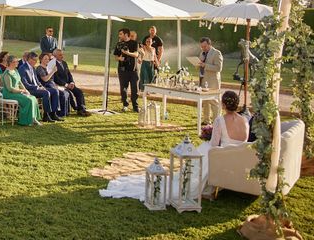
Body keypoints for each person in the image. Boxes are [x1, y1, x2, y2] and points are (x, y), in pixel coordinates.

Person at [98, 90, 248, 202]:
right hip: (237, 158)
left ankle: (194, 181)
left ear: (223, 104)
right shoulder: (245, 120)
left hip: (221, 156)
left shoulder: (220, 120)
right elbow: (243, 141)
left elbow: (215, 144)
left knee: (203, 150)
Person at [19, 52, 62, 122]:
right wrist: (37, 87)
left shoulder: (32, 68)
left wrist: (41, 86)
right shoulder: (23, 68)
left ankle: (53, 113)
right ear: (29, 59)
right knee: (46, 93)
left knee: (55, 91)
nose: (35, 62)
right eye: (33, 60)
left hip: (37, 88)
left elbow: (36, 80)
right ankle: (46, 115)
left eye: (36, 60)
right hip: (29, 90)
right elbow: (25, 84)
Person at [1, 55, 41, 126]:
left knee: (33, 98)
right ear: (11, 63)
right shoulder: (7, 74)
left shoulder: (15, 70)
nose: (17, 63)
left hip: (17, 92)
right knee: (28, 100)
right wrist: (21, 91)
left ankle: (34, 118)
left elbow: (20, 82)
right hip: (9, 94)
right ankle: (26, 120)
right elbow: (10, 88)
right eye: (15, 62)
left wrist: (25, 90)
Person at [53, 49, 91, 116]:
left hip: (69, 84)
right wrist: (66, 85)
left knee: (79, 92)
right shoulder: (53, 65)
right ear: (55, 56)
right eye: (60, 55)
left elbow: (69, 74)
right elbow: (56, 78)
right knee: (69, 94)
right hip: (61, 85)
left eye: (62, 54)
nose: (62, 56)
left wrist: (72, 82)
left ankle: (82, 109)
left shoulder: (64, 63)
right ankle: (75, 108)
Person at [198, 37, 223, 124]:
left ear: (209, 44)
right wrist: (198, 64)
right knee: (205, 101)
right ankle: (206, 120)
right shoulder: (202, 53)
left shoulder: (217, 53)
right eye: (202, 47)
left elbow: (219, 68)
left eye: (204, 46)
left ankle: (216, 122)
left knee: (214, 102)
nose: (203, 48)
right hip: (203, 79)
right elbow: (201, 64)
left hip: (213, 81)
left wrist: (205, 65)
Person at [114, 28, 139, 113]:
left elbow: (136, 54)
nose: (119, 36)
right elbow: (116, 57)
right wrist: (119, 58)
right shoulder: (119, 44)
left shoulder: (134, 43)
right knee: (123, 89)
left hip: (133, 70)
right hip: (122, 70)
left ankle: (135, 107)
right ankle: (125, 105)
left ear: (126, 34)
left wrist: (128, 53)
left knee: (135, 89)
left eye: (120, 34)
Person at [36, 53, 70, 117]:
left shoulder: (48, 68)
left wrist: (57, 85)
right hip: (45, 86)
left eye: (48, 59)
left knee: (66, 92)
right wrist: (53, 71)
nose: (47, 60)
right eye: (45, 59)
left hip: (52, 85)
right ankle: (55, 113)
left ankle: (64, 112)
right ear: (41, 59)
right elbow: (45, 79)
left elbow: (52, 80)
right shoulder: (39, 68)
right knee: (60, 93)